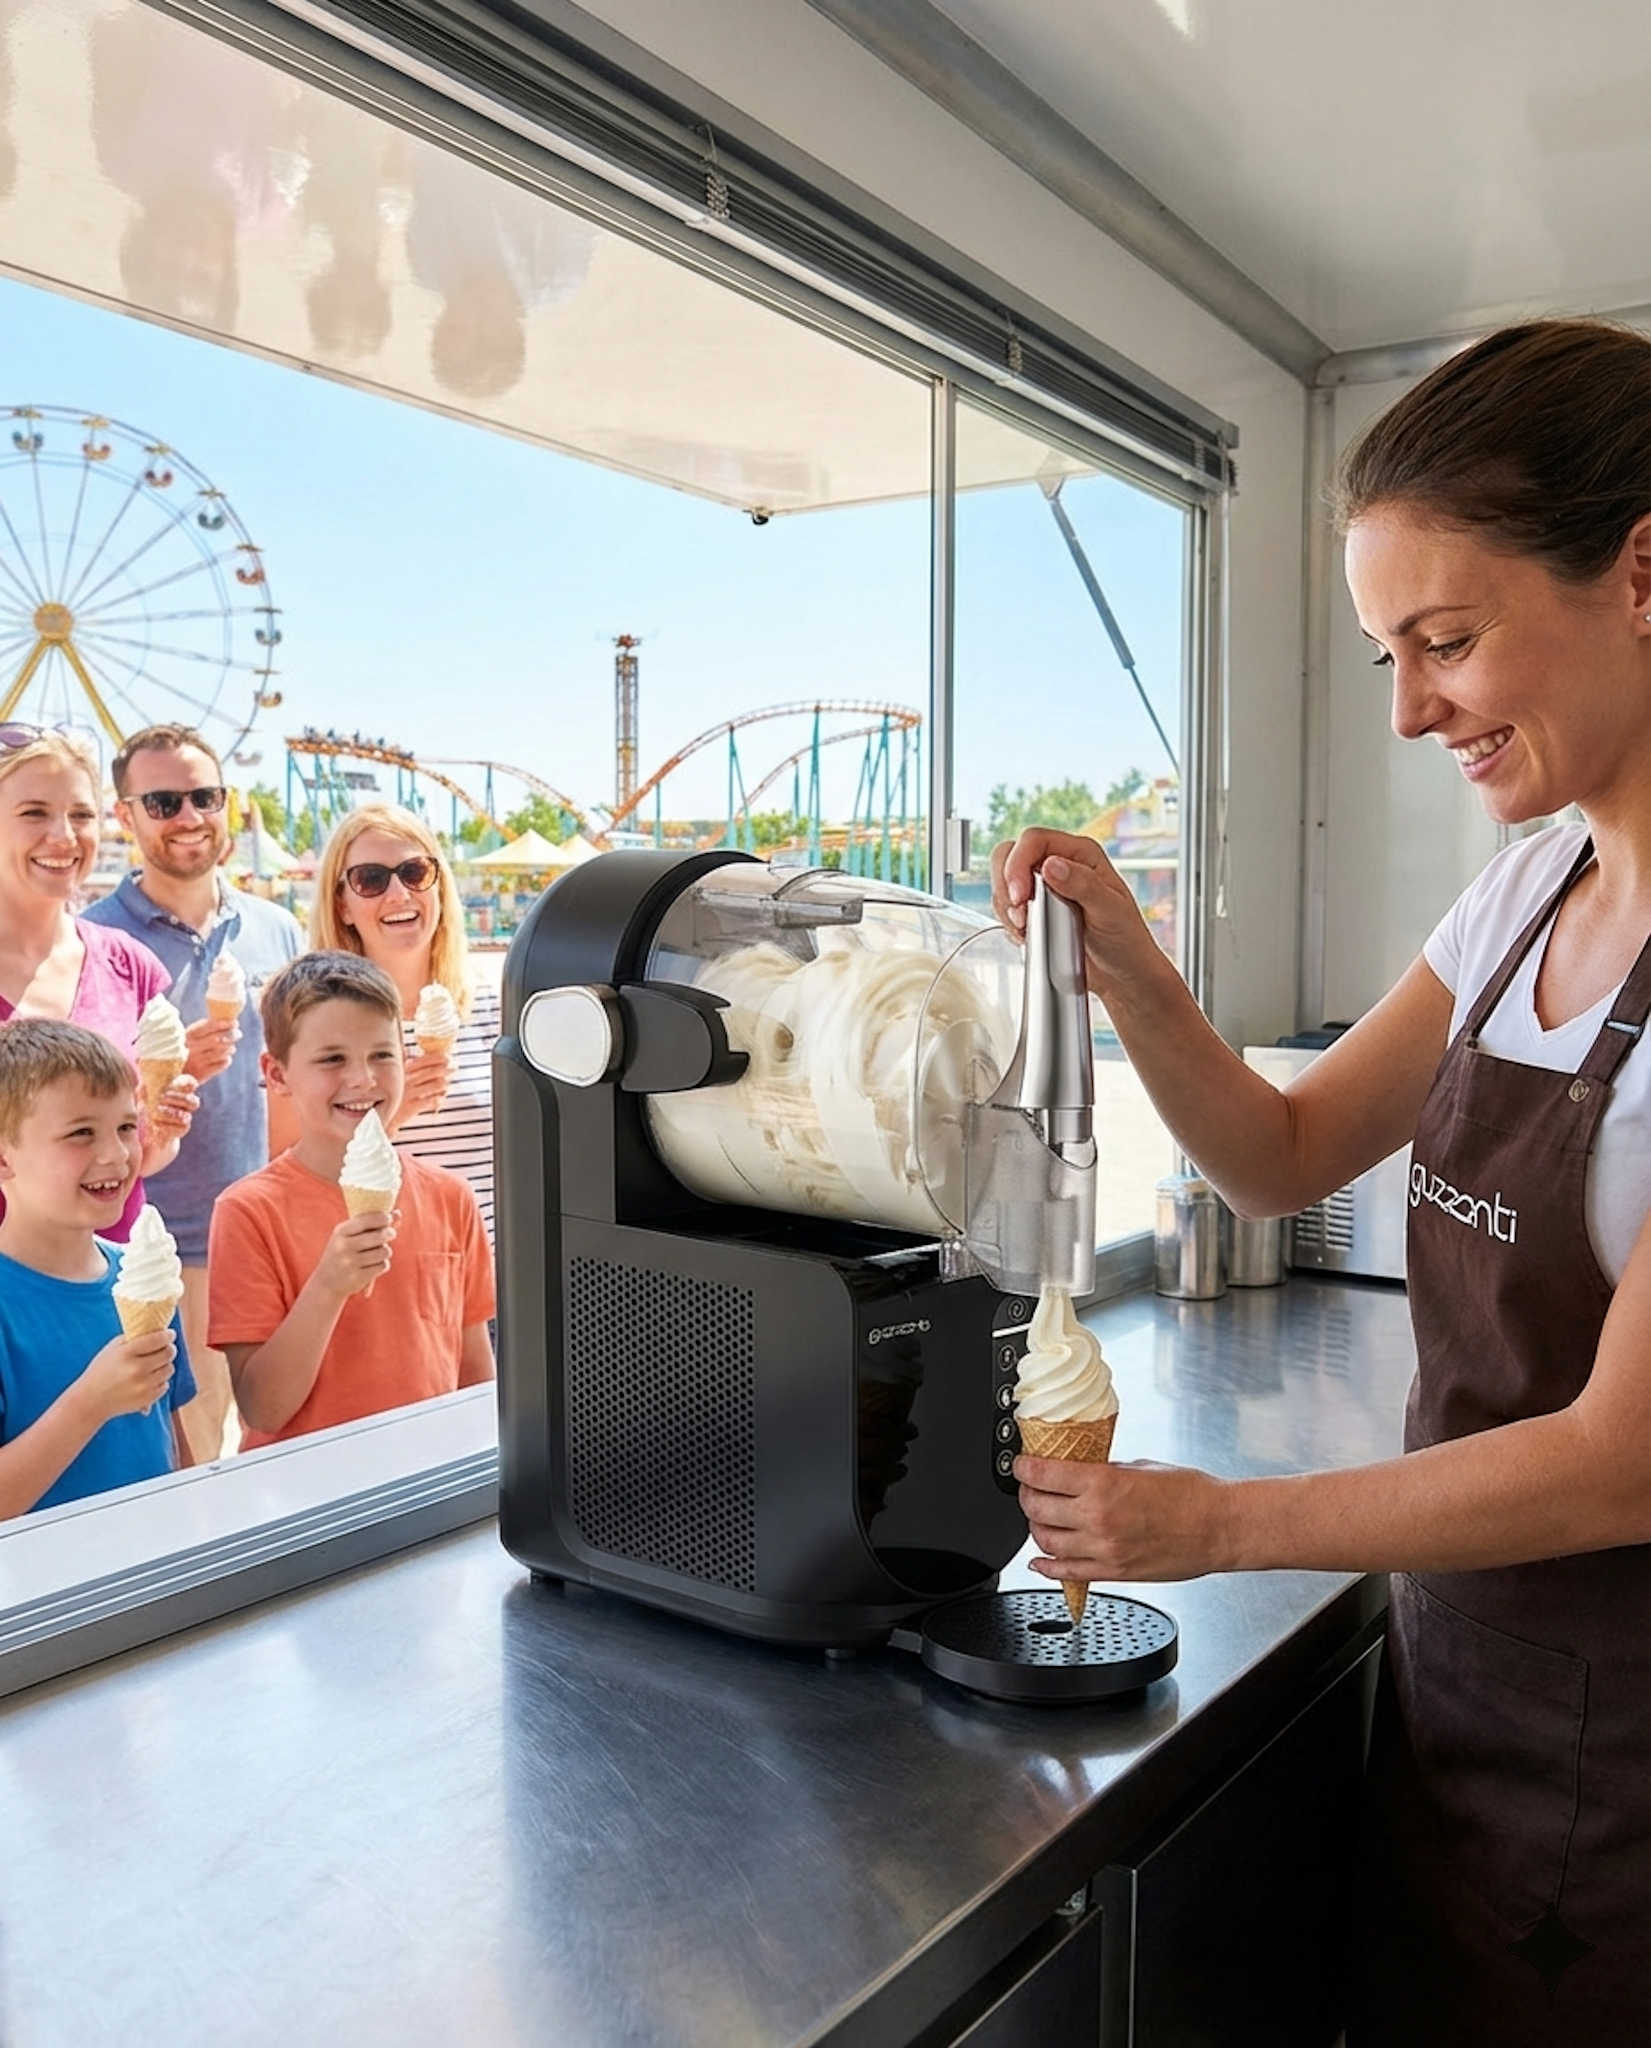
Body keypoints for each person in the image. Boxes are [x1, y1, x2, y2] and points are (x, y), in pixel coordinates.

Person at [993, 319, 1650, 2046]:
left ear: (1643, 568)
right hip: (1466, 1696)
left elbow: (1615, 1460)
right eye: (1387, 652)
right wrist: (1134, 964)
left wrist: (1219, 1524)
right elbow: (1280, 1156)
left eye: (1446, 638)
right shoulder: (1520, 899)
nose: (1413, 704)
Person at [80, 724, 302, 1463]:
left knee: (283, 1448)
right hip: (164, 1248)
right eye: (164, 800)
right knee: (196, 1466)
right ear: (126, 815)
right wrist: (168, 1084)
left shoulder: (274, 928)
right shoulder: (93, 941)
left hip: (273, 1236)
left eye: (204, 796)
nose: (188, 816)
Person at [208, 951, 494, 1448]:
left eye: (382, 1054)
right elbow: (262, 1407)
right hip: (307, 1496)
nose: (362, 1079)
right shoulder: (248, 1212)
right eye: (332, 1059)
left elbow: (474, 1375)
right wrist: (328, 1287)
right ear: (276, 1075)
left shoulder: (452, 1199)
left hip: (428, 1475)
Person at [0, 725, 200, 1239]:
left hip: (113, 1286)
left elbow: (137, 1161)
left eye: (82, 815)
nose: (65, 836)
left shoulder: (130, 966)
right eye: (34, 813)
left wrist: (162, 1129)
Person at [0, 1019, 195, 1518]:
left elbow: (173, 1442)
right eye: (81, 1133)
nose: (115, 1154)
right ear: (4, 1159)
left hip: (157, 1571)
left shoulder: (142, 1277)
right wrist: (90, 1404)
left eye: (127, 1127)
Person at [305, 802, 499, 1240]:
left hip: (492, 1278)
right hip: (385, 1278)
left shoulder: (493, 1006)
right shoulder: (313, 1023)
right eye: (370, 879)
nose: (398, 895)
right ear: (343, 906)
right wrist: (393, 1110)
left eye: (414, 872)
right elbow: (290, 1173)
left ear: (440, 887)